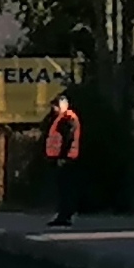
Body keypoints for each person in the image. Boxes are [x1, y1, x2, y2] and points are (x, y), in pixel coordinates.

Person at [45, 90, 83, 226]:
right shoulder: (58, 119)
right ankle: (63, 215)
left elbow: (68, 139)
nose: (53, 109)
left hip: (67, 160)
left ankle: (66, 215)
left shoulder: (68, 119)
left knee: (67, 189)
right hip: (60, 159)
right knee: (62, 189)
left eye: (55, 106)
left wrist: (62, 157)